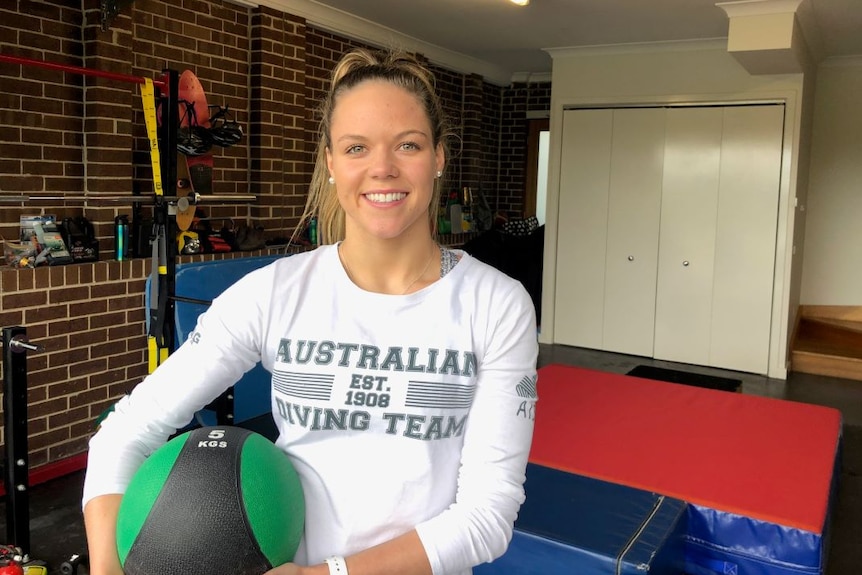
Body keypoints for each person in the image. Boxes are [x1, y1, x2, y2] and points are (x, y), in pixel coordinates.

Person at [82, 47, 539, 575]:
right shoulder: (276, 292)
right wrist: (108, 567)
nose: (382, 169)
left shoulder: (497, 304)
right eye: (356, 147)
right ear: (330, 163)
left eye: (407, 145)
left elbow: (487, 516)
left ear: (438, 157)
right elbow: (124, 432)